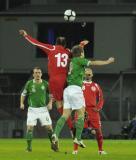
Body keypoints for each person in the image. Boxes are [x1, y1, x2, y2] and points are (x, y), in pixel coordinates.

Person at [52, 44, 115, 152]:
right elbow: (94, 63)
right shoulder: (79, 60)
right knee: (81, 113)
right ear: (81, 54)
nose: (84, 54)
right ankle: (78, 138)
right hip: (76, 90)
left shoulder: (72, 61)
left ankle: (55, 134)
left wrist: (81, 45)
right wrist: (107, 61)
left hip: (67, 90)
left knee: (65, 115)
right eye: (83, 52)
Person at [19, 29, 74, 136]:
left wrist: (26, 35)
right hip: (67, 80)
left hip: (55, 80)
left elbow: (36, 43)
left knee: (59, 104)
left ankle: (71, 127)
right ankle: (76, 123)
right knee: (69, 103)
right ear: (65, 44)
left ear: (56, 43)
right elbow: (74, 56)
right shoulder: (68, 52)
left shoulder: (51, 48)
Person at [20, 67, 57, 152]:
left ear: (41, 74)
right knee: (29, 128)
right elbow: (23, 94)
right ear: (33, 74)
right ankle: (29, 148)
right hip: (32, 110)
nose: (37, 74)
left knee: (49, 128)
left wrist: (50, 103)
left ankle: (53, 145)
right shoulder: (29, 83)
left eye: (39, 72)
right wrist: (21, 103)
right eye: (36, 72)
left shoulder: (45, 84)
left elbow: (51, 94)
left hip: (43, 109)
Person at [72, 68, 107, 155]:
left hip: (93, 111)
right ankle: (75, 150)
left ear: (92, 75)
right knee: (77, 130)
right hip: (81, 110)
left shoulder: (96, 85)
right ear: (83, 75)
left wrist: (98, 107)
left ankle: (101, 150)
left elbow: (101, 98)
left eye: (89, 74)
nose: (87, 76)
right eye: (86, 74)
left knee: (98, 131)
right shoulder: (79, 84)